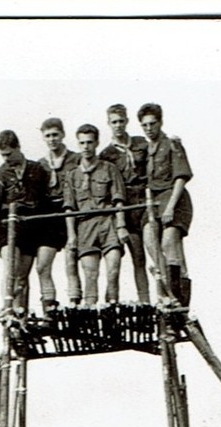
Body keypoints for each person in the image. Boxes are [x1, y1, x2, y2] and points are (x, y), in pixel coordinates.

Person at [0, 129, 51, 316]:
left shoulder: (37, 169)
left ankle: (21, 315)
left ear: (18, 148)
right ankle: (9, 312)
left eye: (8, 154)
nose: (5, 158)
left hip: (31, 229)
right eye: (2, 155)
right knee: (10, 272)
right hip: (8, 230)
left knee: (23, 277)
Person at [63, 124, 129, 308]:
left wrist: (121, 225)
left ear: (97, 143)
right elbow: (69, 208)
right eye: (82, 143)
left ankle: (112, 310)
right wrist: (71, 235)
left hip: (108, 224)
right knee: (90, 274)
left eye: (90, 142)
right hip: (85, 227)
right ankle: (90, 317)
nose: (86, 146)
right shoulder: (72, 175)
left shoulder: (109, 169)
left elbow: (118, 200)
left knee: (113, 271)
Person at [137, 103, 194, 307]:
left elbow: (181, 177)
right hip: (155, 203)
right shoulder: (145, 149)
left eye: (153, 123)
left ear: (161, 123)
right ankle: (166, 292)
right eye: (145, 125)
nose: (149, 128)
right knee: (150, 241)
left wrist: (170, 207)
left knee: (169, 243)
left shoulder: (172, 144)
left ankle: (179, 298)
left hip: (175, 199)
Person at [98, 103, 151, 304]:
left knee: (153, 250)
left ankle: (164, 296)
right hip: (125, 208)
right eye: (114, 122)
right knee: (138, 258)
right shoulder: (106, 154)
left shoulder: (141, 143)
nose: (118, 125)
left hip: (144, 203)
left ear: (127, 121)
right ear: (109, 124)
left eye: (121, 121)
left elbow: (156, 152)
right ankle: (144, 301)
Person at [37, 117, 82, 310]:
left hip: (71, 211)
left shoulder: (76, 158)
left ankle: (74, 306)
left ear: (63, 135)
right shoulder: (40, 164)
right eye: (48, 136)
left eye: (55, 134)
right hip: (50, 215)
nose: (52, 139)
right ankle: (49, 308)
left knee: (70, 262)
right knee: (42, 265)